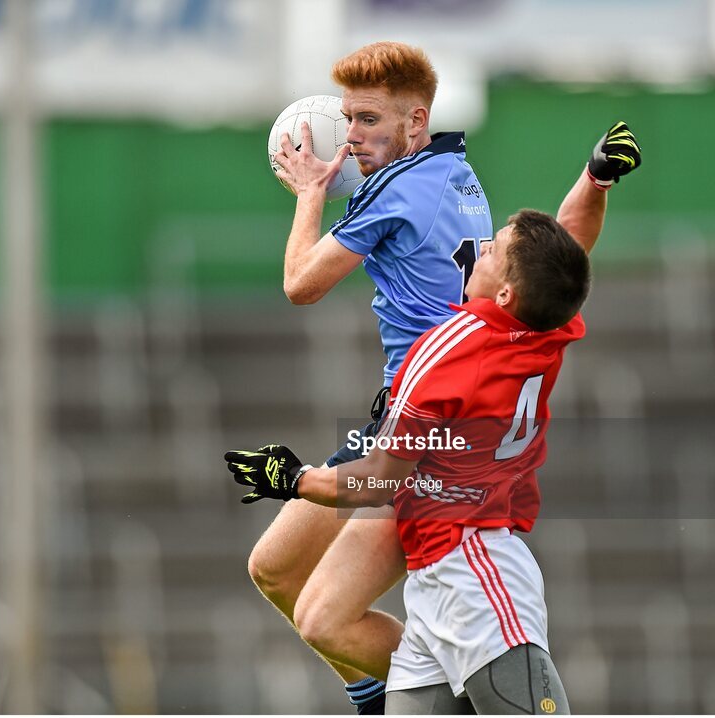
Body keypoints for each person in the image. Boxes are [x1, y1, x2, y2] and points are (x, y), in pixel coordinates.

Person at [255, 40, 640, 713]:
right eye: (348, 119)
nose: (352, 136)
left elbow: (299, 285)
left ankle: (413, 696)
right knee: (283, 578)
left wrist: (312, 191)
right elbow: (567, 247)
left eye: (368, 120)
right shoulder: (464, 187)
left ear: (415, 123)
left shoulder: (449, 334)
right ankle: (393, 693)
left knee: (320, 612)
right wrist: (595, 178)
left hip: (438, 455)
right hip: (452, 447)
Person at [227, 209, 592, 713]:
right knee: (321, 619)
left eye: (495, 248)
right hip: (431, 579)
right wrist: (596, 180)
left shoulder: (449, 353)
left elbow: (375, 481)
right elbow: (573, 243)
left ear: (507, 293)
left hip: (475, 571)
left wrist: (294, 478)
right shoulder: (546, 323)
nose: (481, 246)